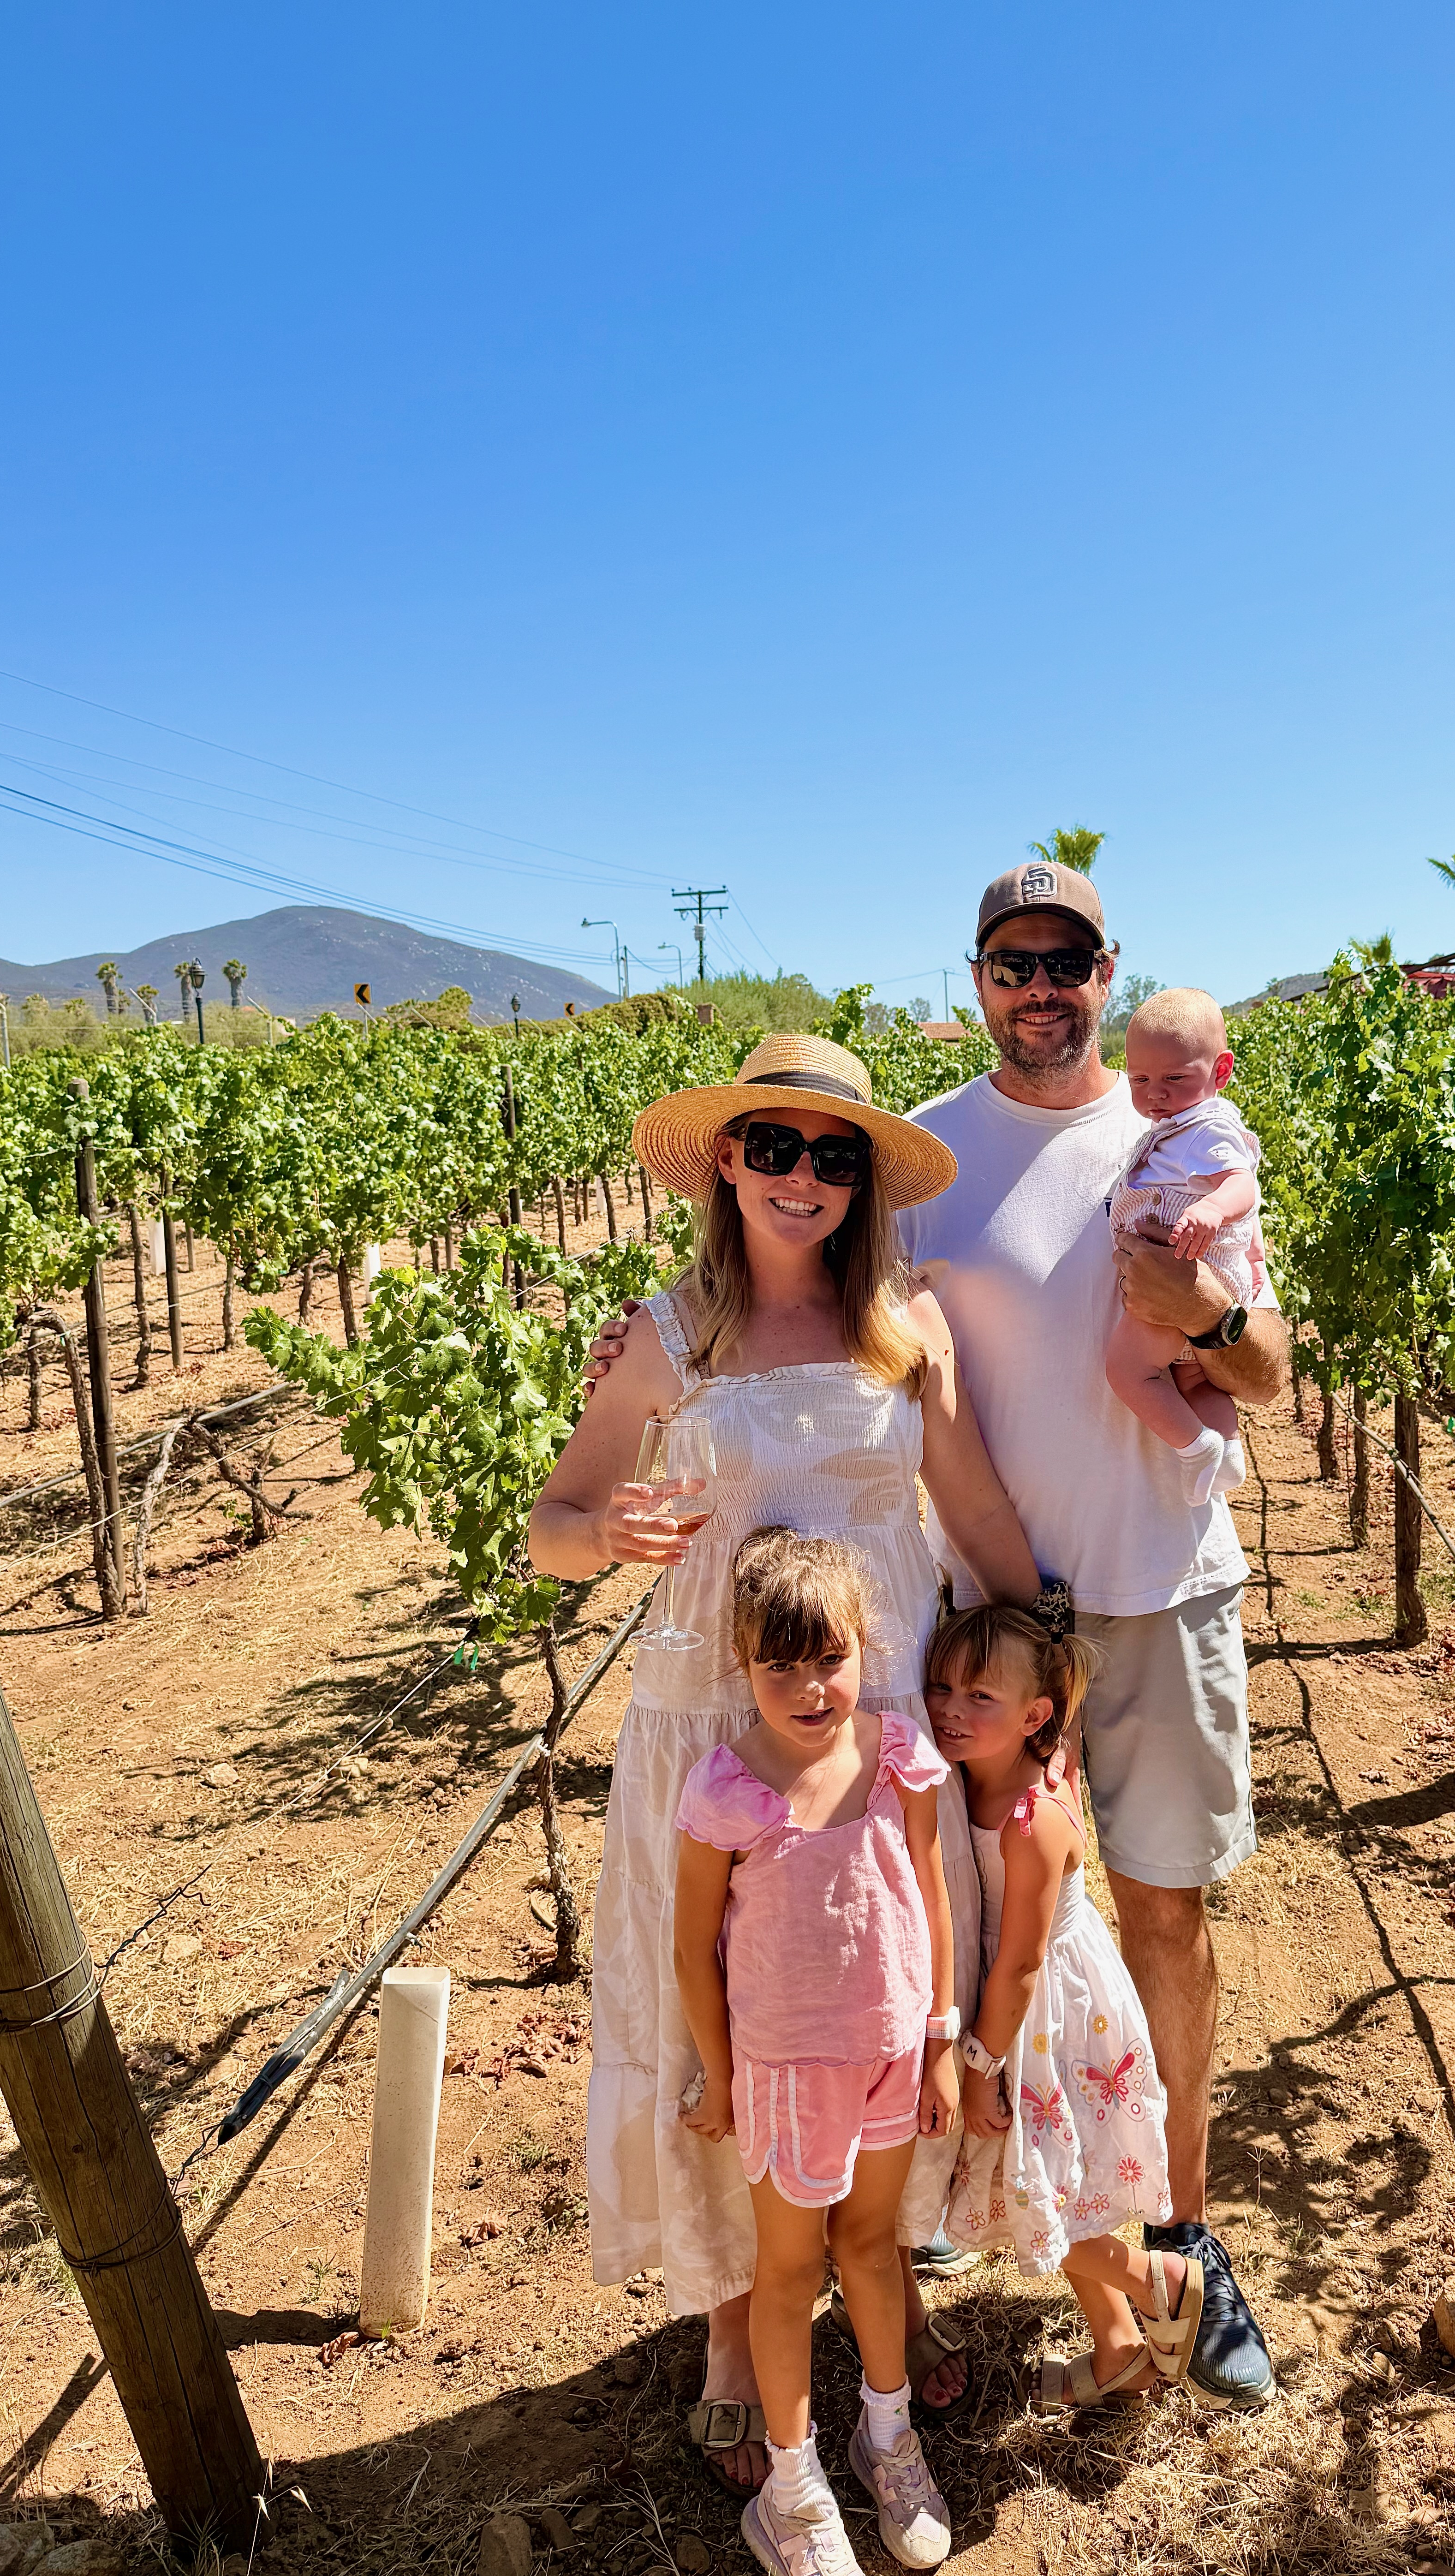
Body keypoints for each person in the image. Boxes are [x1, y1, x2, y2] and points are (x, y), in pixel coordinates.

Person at [530, 1031, 1041, 2495]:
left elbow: (973, 1509)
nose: (802, 1177)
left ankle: (887, 2268)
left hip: (878, 1733)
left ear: (863, 1180)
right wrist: (602, 1535)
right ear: (728, 1162)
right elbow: (553, 1527)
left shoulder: (905, 1327)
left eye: (832, 1155)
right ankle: (726, 2313)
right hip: (718, 1731)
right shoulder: (665, 1336)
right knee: (733, 2009)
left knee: (884, 1984)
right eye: (774, 1146)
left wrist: (1050, 1660)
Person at [894, 859, 1289, 2408]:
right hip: (992, 1618)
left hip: (1167, 1586)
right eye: (1013, 962)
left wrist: (1205, 1315)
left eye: (1066, 960)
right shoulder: (924, 1155)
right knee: (990, 1925)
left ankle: (1181, 2239)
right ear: (978, 978)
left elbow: (1268, 1368)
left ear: (1107, 973)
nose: (1039, 987)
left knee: (1163, 1923)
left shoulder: (1177, 1128)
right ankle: (983, 2198)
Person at [674, 1529, 959, 2574]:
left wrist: (940, 2038)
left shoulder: (897, 1758)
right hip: (786, 2075)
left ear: (863, 1647)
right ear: (741, 1663)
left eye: (830, 1659)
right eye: (780, 1665)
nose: (809, 1689)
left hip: (890, 2053)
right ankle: (790, 2494)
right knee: (789, 2272)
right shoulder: (726, 1792)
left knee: (873, 2248)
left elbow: (930, 1895)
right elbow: (692, 1950)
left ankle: (887, 2438)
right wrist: (720, 2074)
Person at [926, 1601, 1207, 2411]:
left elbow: (1021, 1963)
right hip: (1019, 2001)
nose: (951, 1708)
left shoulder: (1030, 1820)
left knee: (1029, 2187)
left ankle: (1157, 2277)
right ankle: (1118, 2346)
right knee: (1051, 2178)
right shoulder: (970, 1779)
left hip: (1043, 2015)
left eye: (980, 1696)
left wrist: (977, 2065)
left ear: (1034, 1717)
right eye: (941, 1687)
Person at [1105, 988, 1264, 1504]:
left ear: (1221, 1071)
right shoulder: (1180, 1128)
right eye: (1140, 1080)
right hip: (1204, 1277)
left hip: (1179, 1276)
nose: (1155, 1094)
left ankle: (1197, 1448)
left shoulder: (1206, 1129)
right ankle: (1230, 1451)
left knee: (1129, 1371)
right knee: (1195, 1379)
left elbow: (1243, 1185)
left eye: (1174, 1078)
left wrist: (1214, 1209)